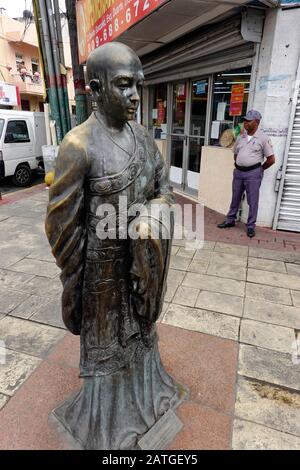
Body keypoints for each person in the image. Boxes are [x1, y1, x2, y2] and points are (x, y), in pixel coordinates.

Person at [45, 42, 185, 450]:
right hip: (102, 279)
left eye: (138, 85)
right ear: (95, 87)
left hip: (140, 269)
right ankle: (106, 423)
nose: (134, 97)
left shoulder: (142, 137)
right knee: (108, 354)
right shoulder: (79, 145)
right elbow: (61, 226)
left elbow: (164, 189)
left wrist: (149, 225)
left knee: (142, 340)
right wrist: (77, 278)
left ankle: (146, 398)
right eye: (123, 85)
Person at [218, 110, 275, 238]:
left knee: (252, 201)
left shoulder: (263, 138)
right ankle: (230, 220)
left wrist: (260, 170)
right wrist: (239, 165)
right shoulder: (241, 137)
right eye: (245, 120)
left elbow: (271, 159)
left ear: (257, 122)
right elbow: (236, 154)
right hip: (238, 172)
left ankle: (250, 226)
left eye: (249, 121)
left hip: (253, 174)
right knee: (235, 197)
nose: (245, 123)